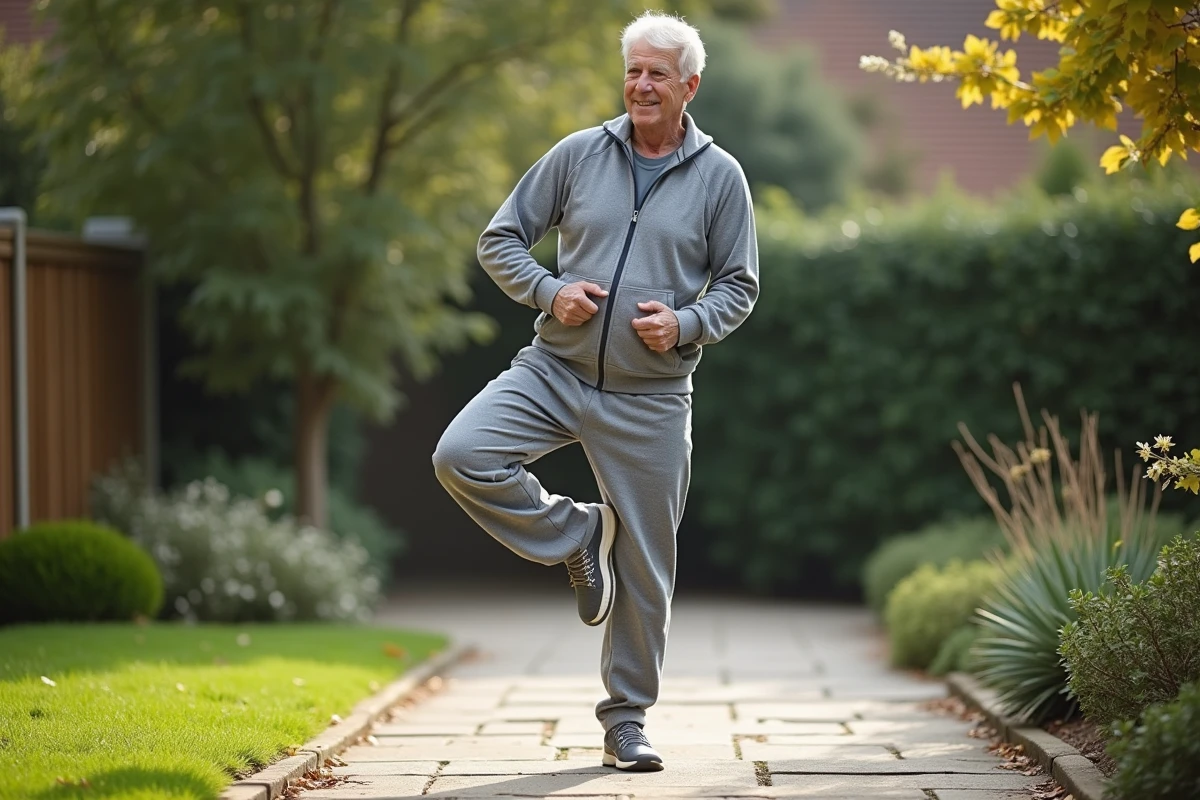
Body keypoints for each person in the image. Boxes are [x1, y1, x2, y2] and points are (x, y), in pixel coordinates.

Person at [432, 10, 758, 773]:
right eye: (633, 70)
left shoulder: (720, 177)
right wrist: (550, 292)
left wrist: (684, 324)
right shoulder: (579, 154)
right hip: (555, 369)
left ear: (689, 86)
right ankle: (576, 534)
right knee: (461, 454)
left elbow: (740, 285)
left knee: (646, 565)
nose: (641, 85)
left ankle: (626, 721)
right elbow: (500, 238)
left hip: (651, 398)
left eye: (657, 74)